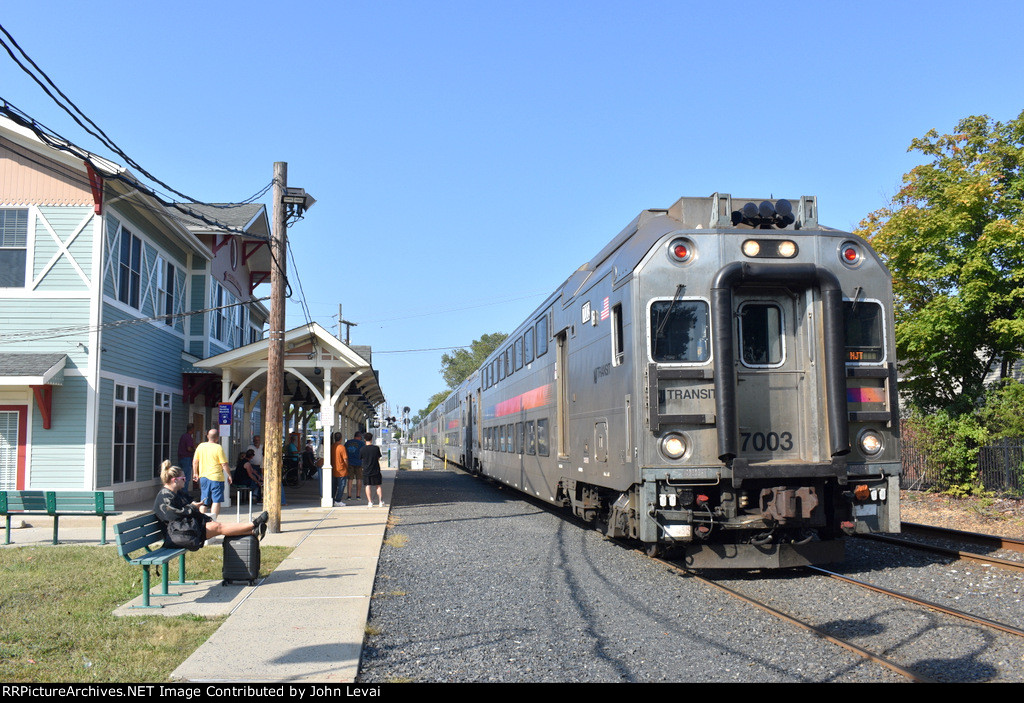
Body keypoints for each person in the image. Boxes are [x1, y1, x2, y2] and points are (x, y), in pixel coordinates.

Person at [154, 460, 267, 550]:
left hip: (184, 529)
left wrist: (195, 506)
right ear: (174, 480)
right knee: (218, 527)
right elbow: (174, 515)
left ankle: (253, 531)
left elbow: (188, 505)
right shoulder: (164, 497)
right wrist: (193, 508)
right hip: (176, 534)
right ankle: (253, 524)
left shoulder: (177, 493)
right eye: (183, 478)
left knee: (217, 525)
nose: (185, 480)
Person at [193, 428, 232, 522]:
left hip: (204, 477)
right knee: (216, 500)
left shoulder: (201, 446)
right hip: (216, 478)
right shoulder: (218, 448)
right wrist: (229, 475)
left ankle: (201, 521)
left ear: (207, 436)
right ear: (217, 438)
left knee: (204, 501)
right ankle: (212, 521)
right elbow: (224, 464)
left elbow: (195, 461)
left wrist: (195, 473)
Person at [360, 432, 384, 508]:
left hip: (366, 469)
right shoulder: (376, 448)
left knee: (367, 485)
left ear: (364, 439)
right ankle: (380, 502)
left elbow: (361, 458)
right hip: (375, 469)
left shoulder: (362, 449)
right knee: (378, 485)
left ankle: (370, 502)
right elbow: (378, 457)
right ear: (371, 439)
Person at [345, 431, 364, 501]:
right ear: (359, 437)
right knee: (359, 479)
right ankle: (358, 495)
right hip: (358, 463)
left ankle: (349, 495)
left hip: (349, 463)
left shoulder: (347, 443)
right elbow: (363, 453)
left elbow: (345, 452)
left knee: (350, 479)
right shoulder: (361, 443)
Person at [330, 432, 348, 507]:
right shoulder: (341, 447)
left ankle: (333, 499)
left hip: (334, 469)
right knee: (341, 486)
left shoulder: (332, 446)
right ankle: (338, 500)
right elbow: (345, 459)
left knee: (334, 486)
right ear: (341, 438)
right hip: (341, 470)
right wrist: (347, 467)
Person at [177, 424, 196, 494]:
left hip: (180, 458)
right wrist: (194, 450)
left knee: (180, 476)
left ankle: (179, 491)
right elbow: (189, 448)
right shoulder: (189, 437)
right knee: (186, 477)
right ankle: (184, 493)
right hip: (186, 458)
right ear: (192, 429)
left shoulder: (183, 436)